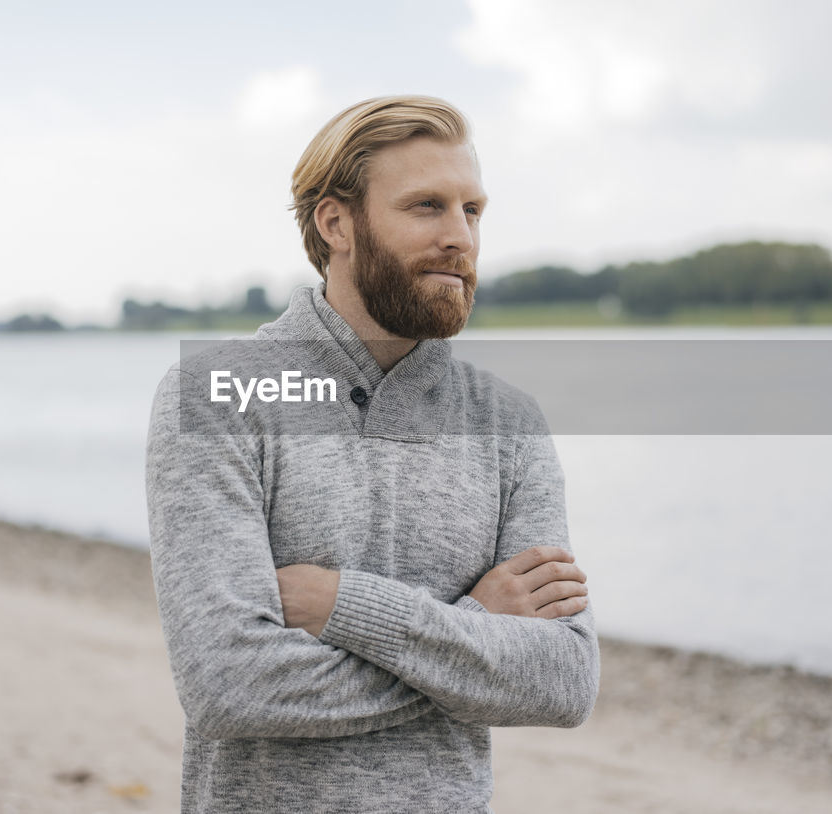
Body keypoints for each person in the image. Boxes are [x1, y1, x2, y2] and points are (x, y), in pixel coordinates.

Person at [146, 95, 600, 813]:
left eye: (473, 210)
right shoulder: (216, 395)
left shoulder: (508, 422)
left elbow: (563, 680)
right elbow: (226, 684)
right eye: (426, 207)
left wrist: (345, 607)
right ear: (337, 223)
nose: (461, 238)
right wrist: (476, 632)